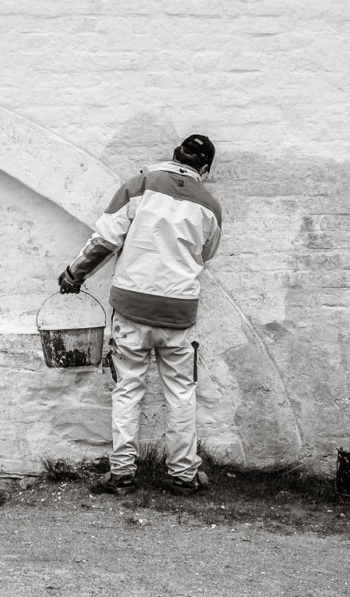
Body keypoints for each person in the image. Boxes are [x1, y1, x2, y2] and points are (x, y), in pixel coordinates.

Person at [55, 134, 222, 496]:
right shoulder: (210, 205)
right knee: (181, 392)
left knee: (127, 389)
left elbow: (104, 240)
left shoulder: (139, 186)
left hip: (132, 308)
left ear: (175, 155)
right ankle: (184, 475)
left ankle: (121, 474)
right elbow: (206, 253)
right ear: (204, 169)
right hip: (178, 312)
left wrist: (74, 275)